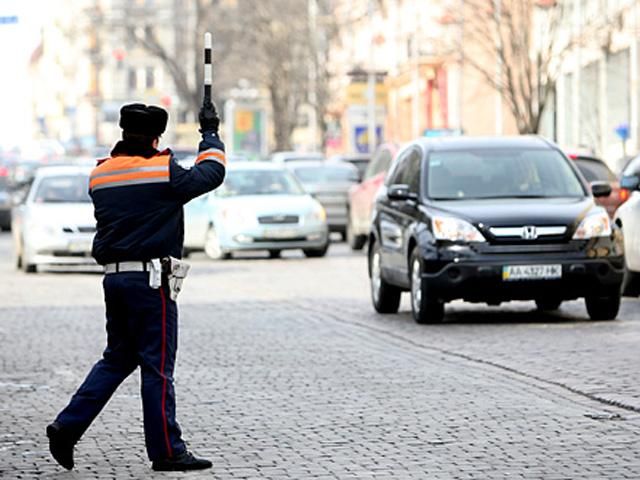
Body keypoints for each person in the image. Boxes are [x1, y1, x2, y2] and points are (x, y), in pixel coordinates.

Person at [46, 101, 226, 472]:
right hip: (150, 282)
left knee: (117, 358)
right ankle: (167, 450)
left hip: (114, 279)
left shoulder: (101, 175)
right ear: (156, 137)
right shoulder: (162, 171)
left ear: (123, 132)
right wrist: (209, 132)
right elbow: (211, 173)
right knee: (157, 367)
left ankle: (67, 426)